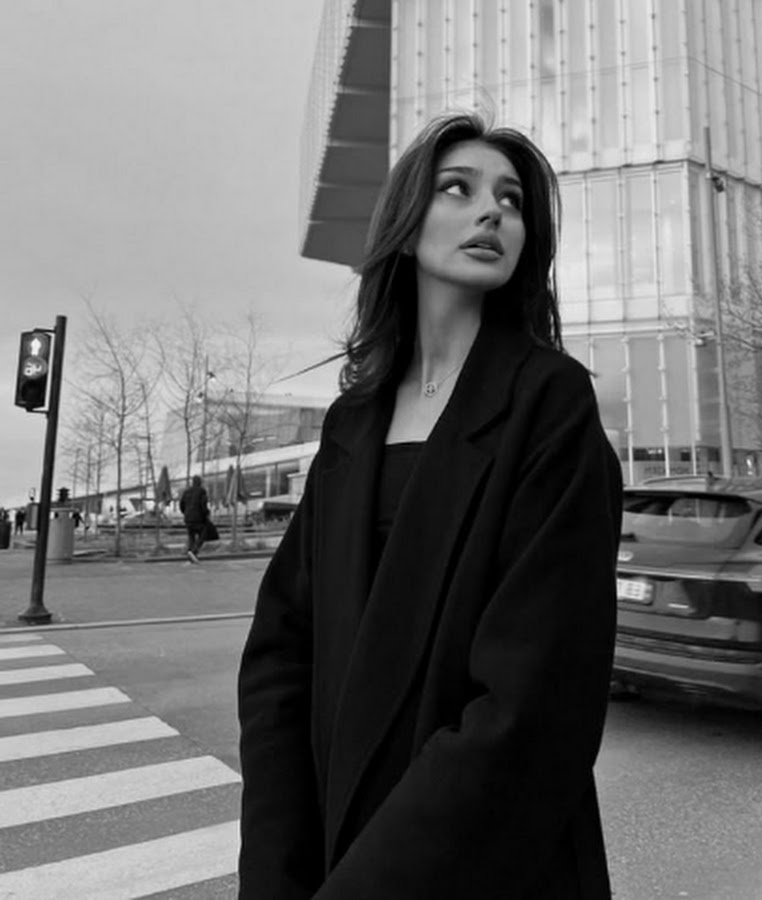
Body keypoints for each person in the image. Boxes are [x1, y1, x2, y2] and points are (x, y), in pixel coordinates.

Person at [238, 112, 623, 899]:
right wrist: (274, 878)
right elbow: (282, 657)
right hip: (333, 842)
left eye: (511, 200)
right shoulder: (352, 423)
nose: (492, 212)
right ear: (407, 224)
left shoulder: (550, 405)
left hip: (482, 867)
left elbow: (533, 704)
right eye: (459, 188)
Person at [178, 474, 209, 563]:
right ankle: (194, 551)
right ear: (200, 482)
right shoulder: (202, 491)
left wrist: (185, 513)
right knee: (203, 534)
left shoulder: (186, 491)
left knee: (191, 537)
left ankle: (191, 554)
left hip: (188, 518)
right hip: (198, 518)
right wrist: (206, 513)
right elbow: (203, 504)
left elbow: (181, 504)